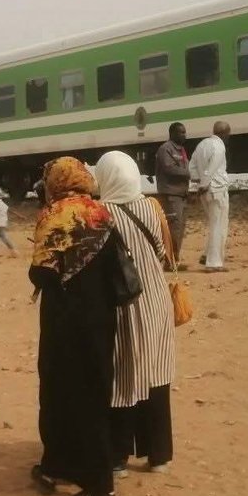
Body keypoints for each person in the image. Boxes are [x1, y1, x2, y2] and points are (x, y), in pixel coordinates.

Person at [28, 157, 122, 496]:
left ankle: (92, 484)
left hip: (64, 321)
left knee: (57, 393)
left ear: (55, 181)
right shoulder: (102, 213)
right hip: (101, 319)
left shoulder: (54, 215)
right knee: (94, 394)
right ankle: (74, 470)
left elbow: (42, 274)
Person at [94, 151, 176, 475]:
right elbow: (161, 252)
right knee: (156, 374)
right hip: (156, 300)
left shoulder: (101, 213)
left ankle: (117, 458)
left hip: (124, 303)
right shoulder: (151, 206)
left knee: (124, 377)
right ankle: (160, 456)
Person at [188, 121, 231, 271]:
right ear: (225, 134)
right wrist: (203, 184)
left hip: (205, 192)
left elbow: (192, 166)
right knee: (219, 225)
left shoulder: (202, 144)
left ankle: (207, 255)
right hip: (216, 189)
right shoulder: (219, 146)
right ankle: (214, 263)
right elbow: (211, 169)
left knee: (214, 224)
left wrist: (196, 186)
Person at [153, 123, 191, 265]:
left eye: (185, 132)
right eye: (181, 132)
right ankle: (170, 261)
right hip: (171, 195)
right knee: (173, 228)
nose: (184, 135)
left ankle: (175, 258)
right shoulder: (165, 149)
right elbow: (169, 169)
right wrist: (190, 173)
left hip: (181, 195)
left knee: (179, 228)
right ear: (172, 133)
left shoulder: (181, 150)